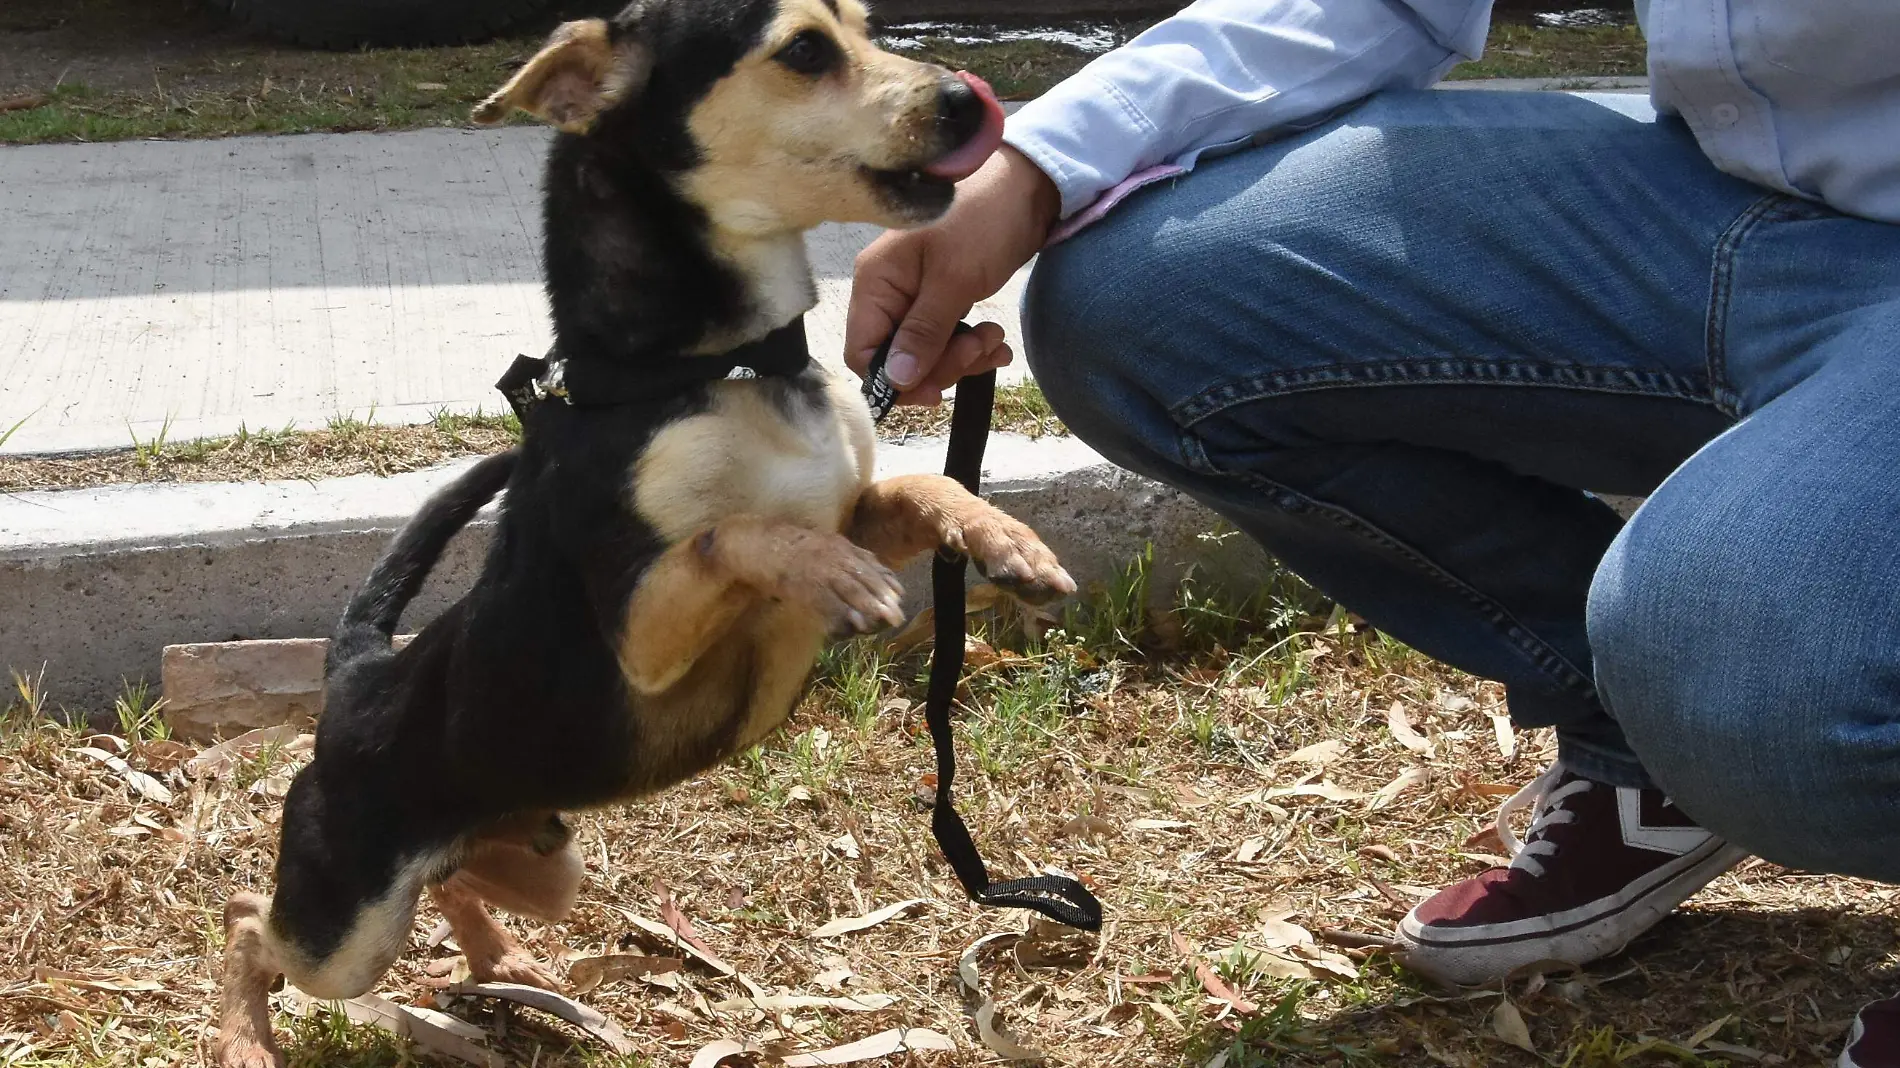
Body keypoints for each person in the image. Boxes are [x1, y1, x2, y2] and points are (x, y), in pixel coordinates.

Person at [843, 1, 1900, 1062]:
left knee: (1748, 681)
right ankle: (1648, 748)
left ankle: (1708, 706)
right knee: (1147, 300)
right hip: (1746, 202)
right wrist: (1027, 171)